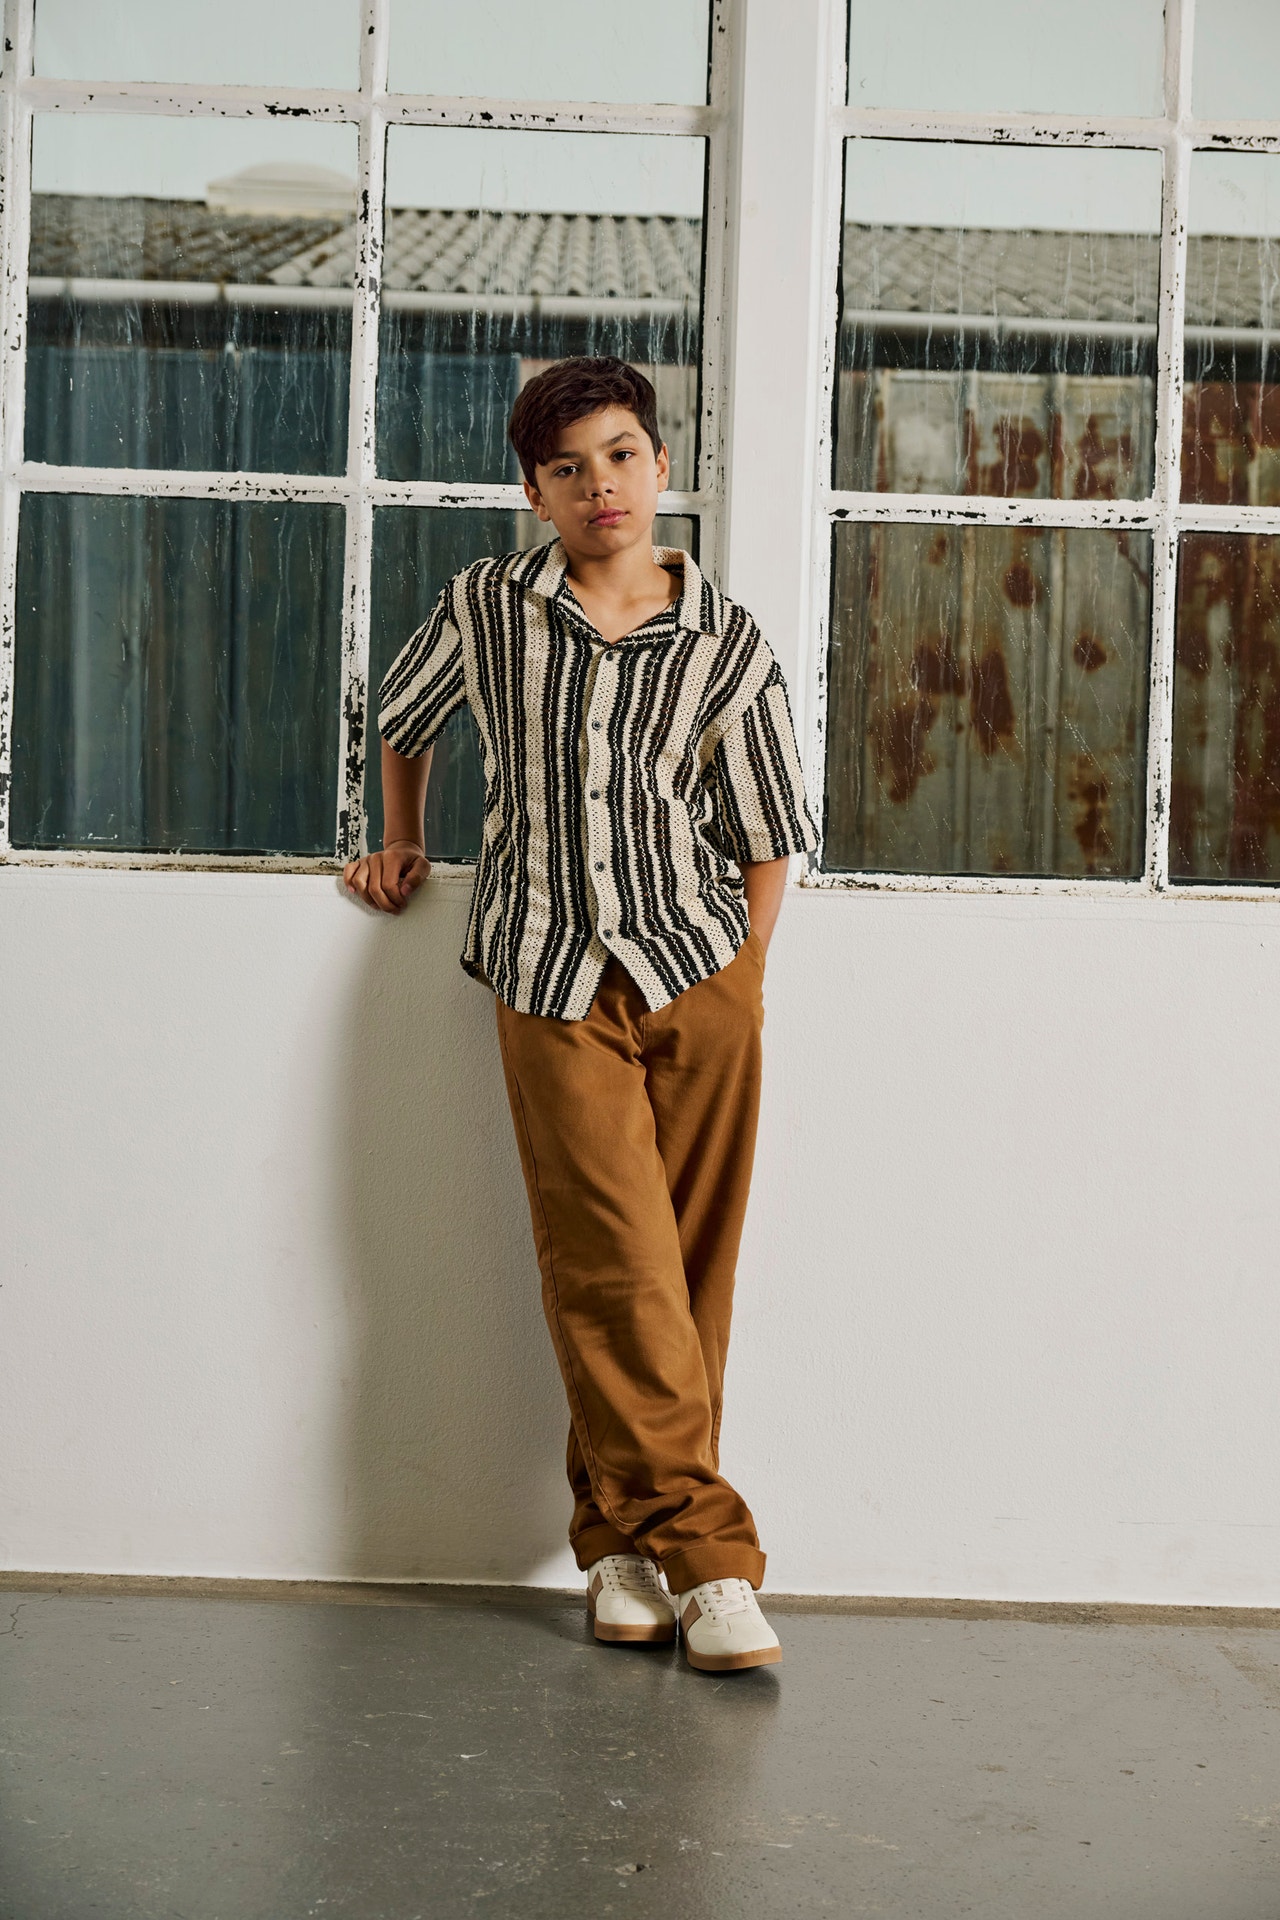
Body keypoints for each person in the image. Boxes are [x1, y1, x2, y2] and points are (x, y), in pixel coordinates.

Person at [344, 356, 818, 1673]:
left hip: (700, 969)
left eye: (618, 456)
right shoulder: (490, 606)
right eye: (567, 468)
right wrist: (402, 839)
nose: (598, 485)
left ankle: (618, 1543)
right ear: (535, 492)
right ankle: (712, 1564)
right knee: (612, 1262)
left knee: (692, 1272)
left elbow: (771, 826)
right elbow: (402, 718)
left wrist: (746, 975)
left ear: (659, 467)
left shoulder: (726, 639)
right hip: (550, 973)